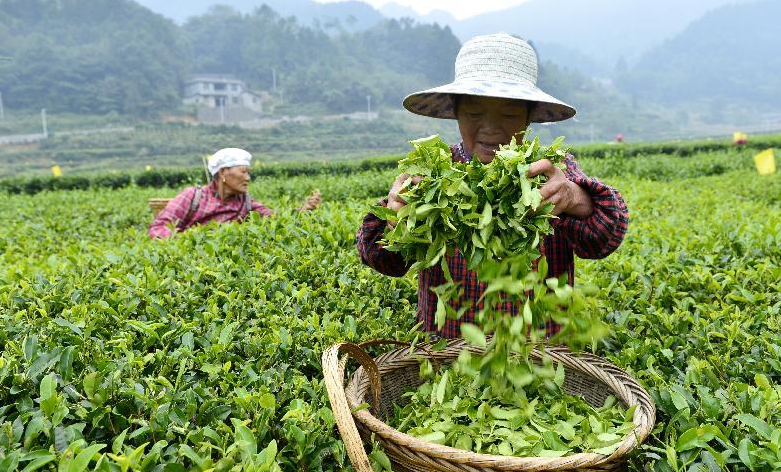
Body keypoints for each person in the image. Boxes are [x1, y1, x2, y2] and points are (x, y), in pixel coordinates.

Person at [357, 33, 628, 339]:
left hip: (538, 350)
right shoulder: (434, 171)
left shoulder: (551, 170)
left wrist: (574, 197)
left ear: (529, 117)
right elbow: (382, 259)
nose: (490, 127)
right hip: (448, 350)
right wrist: (397, 219)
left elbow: (606, 238)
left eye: (509, 113)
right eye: (474, 113)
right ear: (456, 113)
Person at [149, 148, 322, 239]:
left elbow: (278, 221)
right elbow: (158, 228)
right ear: (223, 173)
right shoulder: (193, 197)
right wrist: (184, 241)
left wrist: (305, 210)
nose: (247, 178)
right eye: (243, 172)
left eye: (248, 173)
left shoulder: (246, 204)